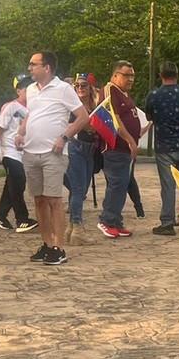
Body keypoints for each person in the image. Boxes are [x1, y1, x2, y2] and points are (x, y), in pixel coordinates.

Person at [16, 51, 89, 266]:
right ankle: (47, 244)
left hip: (53, 153)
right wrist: (21, 132)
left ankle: (59, 247)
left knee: (54, 201)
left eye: (33, 64)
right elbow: (31, 114)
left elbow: (83, 116)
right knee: (39, 200)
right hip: (30, 152)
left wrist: (64, 137)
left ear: (46, 67)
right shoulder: (30, 90)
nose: (29, 68)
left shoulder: (63, 89)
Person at [143, 60, 179, 236]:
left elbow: (149, 116)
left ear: (161, 75)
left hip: (164, 146)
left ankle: (167, 222)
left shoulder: (154, 95)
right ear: (177, 75)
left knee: (167, 185)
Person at [96, 61, 143, 239]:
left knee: (122, 185)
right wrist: (130, 140)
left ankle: (116, 221)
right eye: (126, 75)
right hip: (115, 147)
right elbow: (113, 118)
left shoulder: (125, 94)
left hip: (124, 150)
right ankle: (107, 220)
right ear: (115, 75)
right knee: (116, 184)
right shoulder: (111, 90)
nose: (130, 79)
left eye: (132, 75)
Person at [0, 75, 37, 234]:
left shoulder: (33, 108)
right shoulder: (11, 106)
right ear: (18, 91)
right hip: (10, 151)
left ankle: (0, 216)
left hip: (24, 154)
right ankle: (22, 219)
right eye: (25, 88)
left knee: (12, 184)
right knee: (18, 181)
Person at [65, 73, 100, 241]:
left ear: (90, 87)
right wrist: (88, 126)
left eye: (84, 85)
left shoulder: (94, 106)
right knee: (78, 190)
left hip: (90, 149)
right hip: (77, 147)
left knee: (80, 190)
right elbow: (69, 125)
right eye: (77, 85)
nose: (80, 88)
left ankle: (72, 228)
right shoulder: (73, 106)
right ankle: (77, 228)